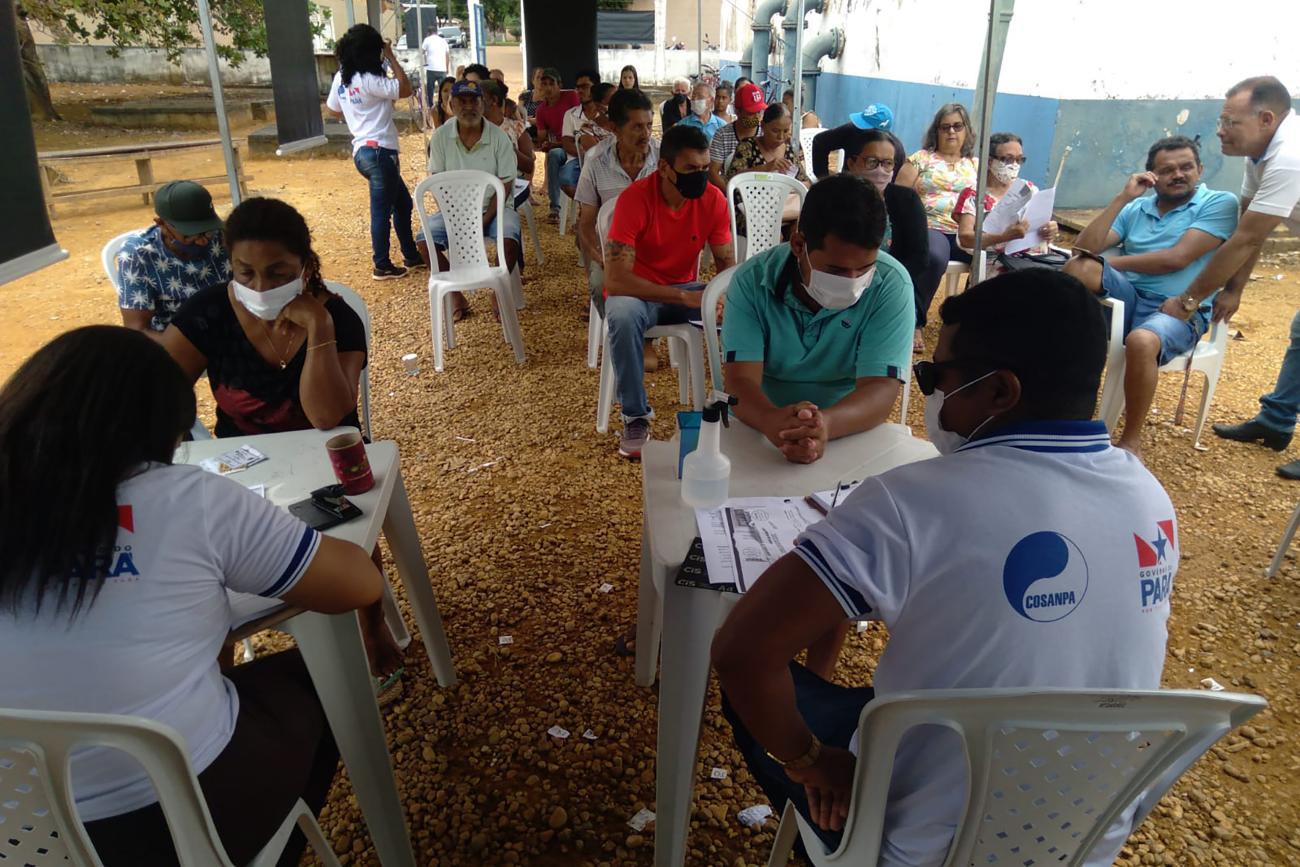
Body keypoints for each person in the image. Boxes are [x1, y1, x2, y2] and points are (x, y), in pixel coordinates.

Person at [713, 269, 1175, 867]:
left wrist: (812, 760)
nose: (929, 392)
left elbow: (742, 652)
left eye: (936, 377)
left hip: (915, 843)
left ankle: (825, 837)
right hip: (1081, 832)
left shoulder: (908, 502)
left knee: (755, 699)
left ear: (1000, 392)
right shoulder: (1150, 497)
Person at [0, 325, 385, 867]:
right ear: (163, 427)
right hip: (174, 828)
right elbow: (359, 585)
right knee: (323, 680)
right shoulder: (186, 498)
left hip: (18, 836)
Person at [721, 173, 913, 474]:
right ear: (799, 244)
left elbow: (880, 388)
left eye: (865, 268)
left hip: (851, 425)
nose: (852, 283)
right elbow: (740, 381)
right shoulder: (752, 281)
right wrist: (773, 420)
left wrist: (827, 424)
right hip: (758, 422)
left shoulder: (891, 284)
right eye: (836, 270)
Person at [1064, 135, 1238, 455]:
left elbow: (1175, 259)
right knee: (1077, 269)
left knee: (1142, 341)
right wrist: (1121, 198)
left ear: (1200, 169)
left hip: (1179, 309)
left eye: (1187, 166)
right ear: (1151, 176)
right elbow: (1083, 250)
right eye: (1167, 170)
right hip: (1127, 297)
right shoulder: (1137, 207)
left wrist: (1108, 263)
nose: (1179, 174)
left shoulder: (1219, 203)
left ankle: (1130, 441)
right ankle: (1060, 403)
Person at [604, 124, 736, 459]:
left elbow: (726, 264)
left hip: (686, 289)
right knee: (620, 313)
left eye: (705, 169)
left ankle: (737, 406)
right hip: (639, 293)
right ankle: (635, 417)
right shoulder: (635, 200)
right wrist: (684, 297)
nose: (700, 177)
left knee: (747, 306)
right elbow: (617, 280)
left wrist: (722, 297)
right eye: (691, 169)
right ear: (664, 167)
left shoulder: (713, 200)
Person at [1194, 77, 1300, 476]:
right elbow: (1249, 223)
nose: (1220, 131)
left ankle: (1276, 421)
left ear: (1267, 119)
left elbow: (1246, 238)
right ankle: (1275, 423)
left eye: (1229, 122)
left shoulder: (1290, 156)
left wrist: (1189, 300)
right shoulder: (1261, 155)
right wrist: (1234, 288)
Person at [325, 24, 421, 280]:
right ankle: (382, 264)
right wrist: (391, 56)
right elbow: (405, 89)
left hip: (363, 153)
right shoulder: (370, 80)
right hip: (381, 153)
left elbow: (333, 110)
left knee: (402, 203)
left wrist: (357, 115)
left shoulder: (342, 78)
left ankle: (411, 255)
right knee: (382, 211)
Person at [421, 79, 522, 318]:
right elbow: (437, 181)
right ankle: (455, 294)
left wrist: (484, 219)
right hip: (454, 211)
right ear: (451, 105)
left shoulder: (499, 138)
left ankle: (498, 293)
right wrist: (456, 217)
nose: (469, 107)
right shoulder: (440, 137)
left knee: (509, 238)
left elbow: (506, 184)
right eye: (462, 102)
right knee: (424, 241)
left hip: (495, 208)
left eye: (474, 101)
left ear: (483, 104)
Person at [576, 87, 660, 317]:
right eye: (636, 127)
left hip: (657, 248)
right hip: (611, 249)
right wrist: (600, 257)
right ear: (614, 129)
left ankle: (638, 338)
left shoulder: (664, 159)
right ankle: (623, 332)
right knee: (599, 283)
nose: (646, 134)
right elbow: (585, 224)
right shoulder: (595, 161)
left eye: (648, 125)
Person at [116, 179, 230, 335]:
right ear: (161, 224)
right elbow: (137, 329)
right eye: (190, 235)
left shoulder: (224, 237)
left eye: (207, 230)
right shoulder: (138, 254)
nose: (203, 240)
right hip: (172, 340)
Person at [907, 102, 979, 341]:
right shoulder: (921, 159)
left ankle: (966, 320)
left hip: (966, 230)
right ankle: (915, 321)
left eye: (957, 126)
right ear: (935, 131)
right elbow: (898, 194)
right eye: (945, 127)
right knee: (935, 256)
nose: (951, 132)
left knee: (989, 259)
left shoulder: (976, 165)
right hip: (931, 226)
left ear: (966, 130)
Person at [841, 128, 930, 320]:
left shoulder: (907, 200)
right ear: (852, 163)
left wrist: (883, 284)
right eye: (871, 162)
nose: (879, 170)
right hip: (840, 286)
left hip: (889, 287)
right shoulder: (835, 198)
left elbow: (919, 257)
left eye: (887, 163)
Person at [954, 132, 1060, 271]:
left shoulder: (1029, 190)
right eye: (1008, 159)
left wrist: (1050, 230)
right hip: (995, 264)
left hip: (1034, 261)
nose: (1014, 165)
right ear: (989, 161)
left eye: (1019, 159)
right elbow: (965, 238)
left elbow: (1042, 225)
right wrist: (1003, 237)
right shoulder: (974, 195)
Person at [725, 103, 811, 235]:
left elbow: (806, 182)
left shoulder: (789, 151)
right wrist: (766, 168)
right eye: (775, 131)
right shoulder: (747, 146)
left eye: (786, 131)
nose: (781, 137)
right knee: (773, 233)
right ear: (763, 126)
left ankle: (792, 255)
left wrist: (788, 187)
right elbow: (733, 180)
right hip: (750, 210)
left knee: (800, 231)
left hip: (783, 210)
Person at [533, 67, 582, 220]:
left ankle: (584, 205)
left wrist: (551, 144)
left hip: (578, 145)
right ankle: (555, 207)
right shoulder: (541, 110)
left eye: (551, 84)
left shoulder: (571, 97)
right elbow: (542, 137)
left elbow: (579, 126)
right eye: (544, 84)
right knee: (553, 154)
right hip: (561, 148)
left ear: (559, 85)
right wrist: (541, 143)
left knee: (554, 152)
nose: (547, 88)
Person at [811, 102, 894, 180]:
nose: (861, 128)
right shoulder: (854, 131)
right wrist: (823, 178)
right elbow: (820, 141)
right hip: (848, 186)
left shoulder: (895, 150)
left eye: (866, 127)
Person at [483, 79, 535, 202]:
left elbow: (529, 166)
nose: (473, 104)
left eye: (479, 98)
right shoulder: (474, 127)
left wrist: (509, 149)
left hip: (511, 184)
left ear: (493, 101)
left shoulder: (516, 127)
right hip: (479, 185)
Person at [709, 81, 767, 191]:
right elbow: (713, 173)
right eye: (751, 113)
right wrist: (732, 194)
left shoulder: (765, 133)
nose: (756, 116)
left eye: (758, 112)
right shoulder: (722, 135)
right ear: (738, 111)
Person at [557, 69, 602, 199]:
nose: (580, 91)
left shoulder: (607, 114)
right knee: (565, 179)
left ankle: (593, 210)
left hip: (604, 159)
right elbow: (566, 142)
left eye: (585, 87)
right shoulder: (571, 114)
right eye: (578, 87)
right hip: (578, 159)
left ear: (596, 88)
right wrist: (586, 156)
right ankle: (589, 207)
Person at [419, 25, 449, 110]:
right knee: (443, 88)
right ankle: (443, 104)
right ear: (436, 32)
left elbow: (422, 52)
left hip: (431, 69)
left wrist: (425, 59)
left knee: (430, 88)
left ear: (428, 33)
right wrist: (447, 68)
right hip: (442, 69)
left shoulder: (427, 40)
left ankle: (430, 106)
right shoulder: (443, 41)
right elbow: (447, 56)